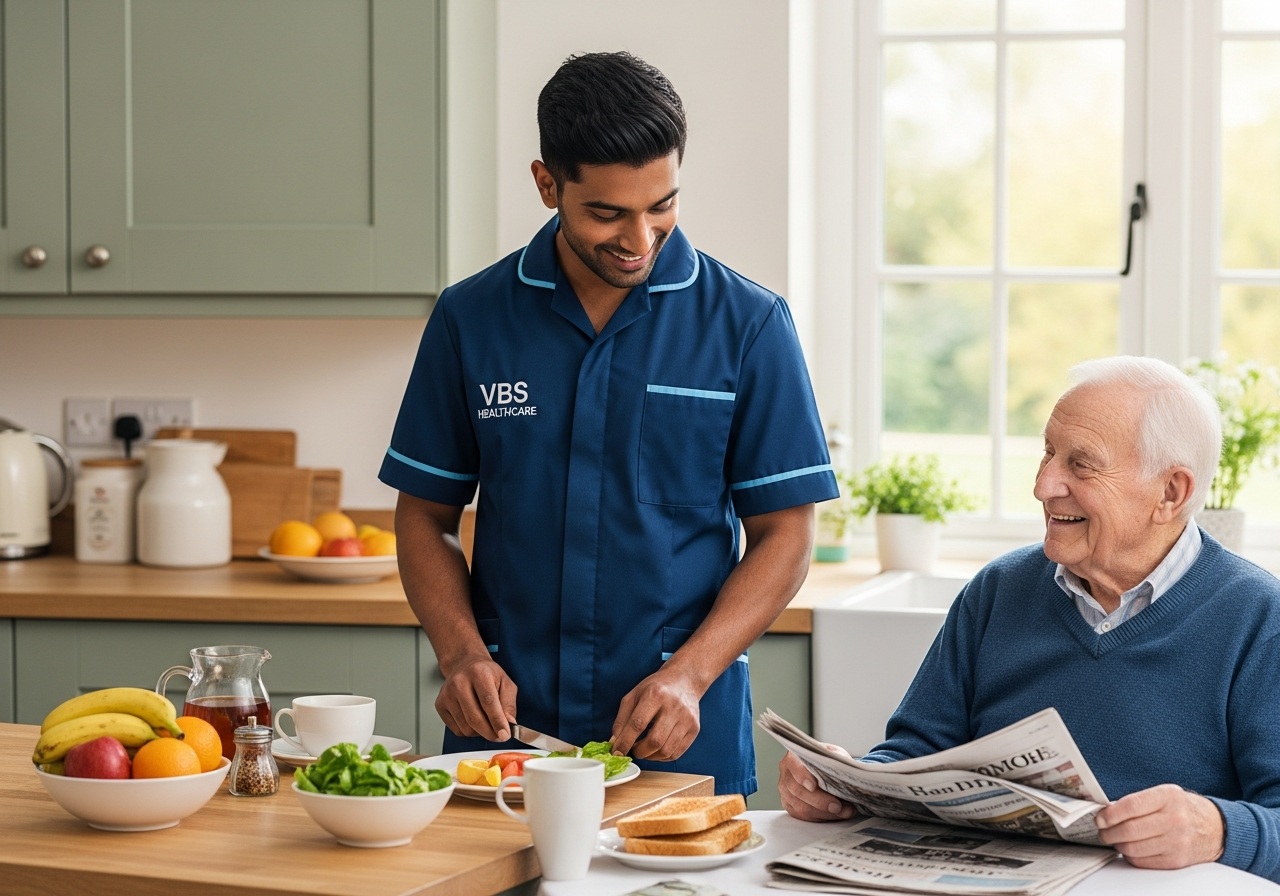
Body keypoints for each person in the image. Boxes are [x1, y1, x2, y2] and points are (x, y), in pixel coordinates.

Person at [381, 52, 837, 795]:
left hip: (677, 736)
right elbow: (423, 517)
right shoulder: (471, 319)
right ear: (546, 184)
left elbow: (787, 533)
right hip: (504, 735)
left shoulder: (749, 324)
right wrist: (461, 655)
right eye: (607, 212)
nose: (640, 238)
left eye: (662, 204)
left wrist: (691, 676)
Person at [779, 355, 1280, 882]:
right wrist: (847, 785)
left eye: (1081, 464)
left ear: (1171, 493)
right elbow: (917, 751)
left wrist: (1220, 829)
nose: (1044, 485)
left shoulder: (1258, 617)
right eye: (1047, 453)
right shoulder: (999, 589)